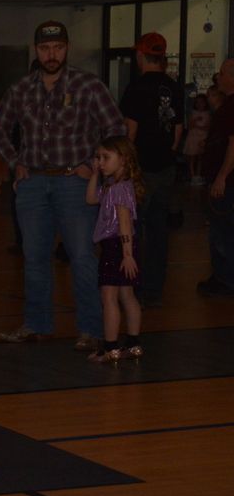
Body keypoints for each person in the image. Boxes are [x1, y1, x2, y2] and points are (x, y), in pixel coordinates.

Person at [0, 20, 126, 350]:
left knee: (81, 257)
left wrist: (93, 166)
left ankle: (92, 330)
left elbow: (115, 128)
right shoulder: (21, 89)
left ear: (67, 48)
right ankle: (38, 324)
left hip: (74, 184)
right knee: (34, 257)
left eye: (58, 48)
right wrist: (15, 162)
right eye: (45, 48)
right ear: (36, 50)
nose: (52, 54)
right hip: (33, 184)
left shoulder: (88, 85)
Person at [120, 32, 183, 308]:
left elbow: (130, 131)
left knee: (132, 228)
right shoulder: (174, 87)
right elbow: (178, 131)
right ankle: (153, 287)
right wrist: (168, 154)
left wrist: (124, 166)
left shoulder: (136, 88)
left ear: (141, 56)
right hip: (166, 168)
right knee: (158, 230)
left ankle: (131, 284)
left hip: (141, 168)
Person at [85, 136, 145, 362]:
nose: (100, 162)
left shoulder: (119, 188)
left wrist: (127, 255)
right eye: (98, 157)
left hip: (117, 246)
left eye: (106, 158)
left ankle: (110, 347)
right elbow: (91, 199)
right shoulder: (113, 185)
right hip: (122, 245)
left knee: (109, 296)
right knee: (127, 294)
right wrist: (94, 175)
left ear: (123, 159)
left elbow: (125, 222)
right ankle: (133, 342)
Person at [197, 58, 234, 297]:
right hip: (224, 180)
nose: (217, 78)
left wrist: (222, 176)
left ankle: (225, 280)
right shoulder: (227, 105)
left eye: (221, 73)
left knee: (223, 232)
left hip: (227, 184)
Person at [185, 94, 211, 185]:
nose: (200, 105)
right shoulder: (192, 113)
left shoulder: (208, 113)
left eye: (202, 103)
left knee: (200, 157)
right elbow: (189, 126)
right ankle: (192, 176)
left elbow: (208, 127)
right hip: (193, 137)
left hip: (203, 137)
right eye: (197, 103)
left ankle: (198, 175)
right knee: (192, 157)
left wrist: (199, 127)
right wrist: (195, 121)